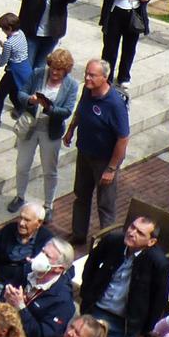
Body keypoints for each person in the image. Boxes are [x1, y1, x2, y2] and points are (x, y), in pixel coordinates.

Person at [76, 212, 169, 337]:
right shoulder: (112, 241)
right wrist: (86, 293)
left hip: (124, 325)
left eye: (140, 233)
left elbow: (159, 301)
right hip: (96, 310)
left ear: (151, 242)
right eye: (132, 227)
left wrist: (143, 330)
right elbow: (91, 263)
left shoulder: (159, 264)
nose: (132, 233)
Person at [65, 60, 129, 248]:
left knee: (105, 204)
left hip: (104, 161)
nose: (87, 78)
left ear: (105, 77)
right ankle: (78, 235)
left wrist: (111, 168)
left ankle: (107, 243)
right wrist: (71, 129)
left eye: (92, 75)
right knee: (81, 196)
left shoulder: (115, 104)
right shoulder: (87, 90)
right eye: (86, 73)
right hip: (84, 153)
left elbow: (123, 138)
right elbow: (80, 110)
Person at [12, 47, 80, 215]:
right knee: (22, 165)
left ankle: (48, 204)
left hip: (51, 131)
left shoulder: (71, 85)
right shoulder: (38, 73)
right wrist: (30, 100)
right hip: (30, 127)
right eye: (53, 68)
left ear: (66, 70)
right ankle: (19, 196)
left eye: (60, 70)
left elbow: (67, 111)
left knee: (49, 170)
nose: (55, 73)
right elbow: (21, 92)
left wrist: (48, 108)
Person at [99, 0, 153, 91]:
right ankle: (106, 76)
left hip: (133, 15)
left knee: (129, 48)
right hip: (116, 13)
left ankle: (124, 76)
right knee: (110, 48)